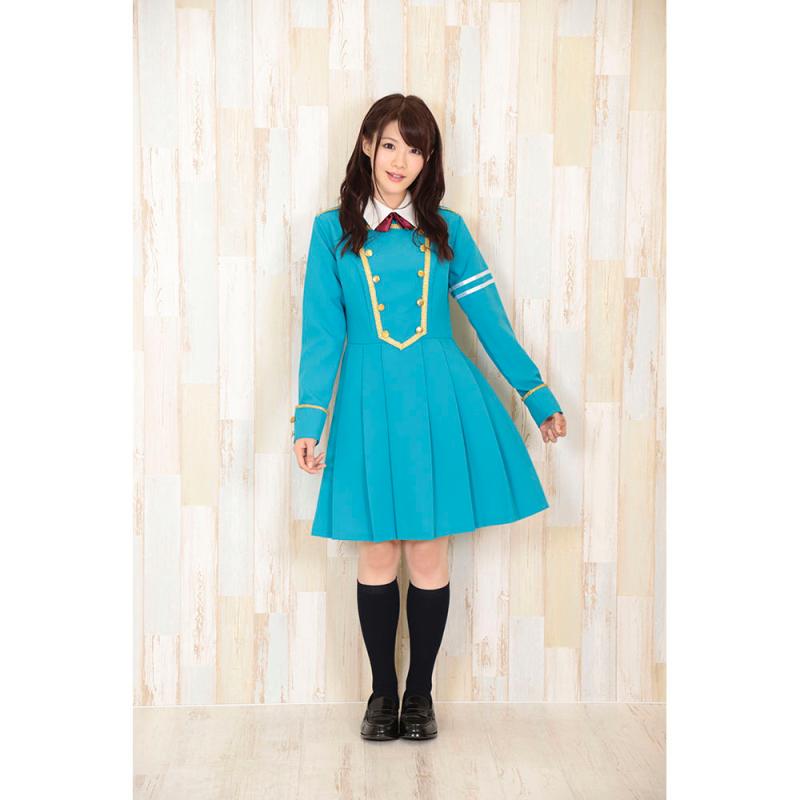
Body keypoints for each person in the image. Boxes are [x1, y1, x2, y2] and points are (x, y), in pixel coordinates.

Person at [290, 94, 567, 741]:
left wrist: (537, 395)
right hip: (365, 404)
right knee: (376, 553)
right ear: (367, 145)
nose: (401, 160)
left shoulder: (448, 231)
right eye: (390, 144)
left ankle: (420, 695)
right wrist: (309, 420)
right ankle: (381, 695)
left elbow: (490, 323)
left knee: (427, 553)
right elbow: (322, 333)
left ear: (428, 160)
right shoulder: (331, 231)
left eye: (416, 149)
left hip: (437, 403)